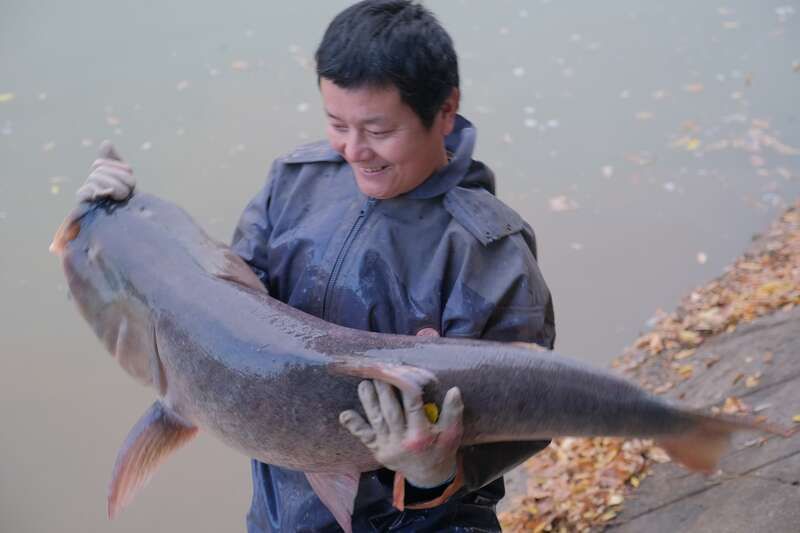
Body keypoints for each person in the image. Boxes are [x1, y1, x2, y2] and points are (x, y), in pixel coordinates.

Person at [78, 1, 556, 531]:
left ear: (446, 110)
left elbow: (531, 411)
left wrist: (435, 472)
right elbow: (229, 291)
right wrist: (123, 215)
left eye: (378, 130)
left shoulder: (489, 252)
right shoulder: (294, 181)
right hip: (283, 512)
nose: (355, 151)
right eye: (337, 123)